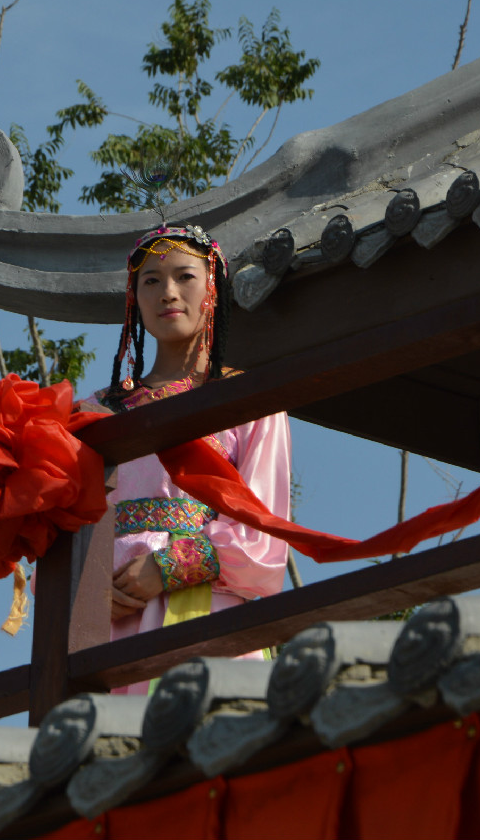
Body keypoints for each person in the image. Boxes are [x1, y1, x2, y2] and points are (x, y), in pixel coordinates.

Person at [95, 224, 291, 690]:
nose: (168, 293)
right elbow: (64, 527)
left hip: (206, 605)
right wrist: (89, 588)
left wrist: (166, 568)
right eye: (151, 281)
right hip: (109, 611)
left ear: (212, 291)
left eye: (185, 277)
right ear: (134, 299)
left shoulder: (248, 401)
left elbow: (264, 536)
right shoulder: (94, 412)